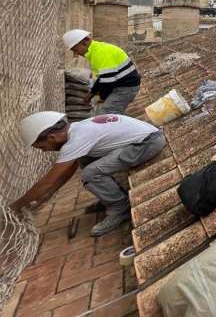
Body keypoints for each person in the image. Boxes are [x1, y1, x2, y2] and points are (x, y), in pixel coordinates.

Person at [11, 111, 165, 236]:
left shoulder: (76, 140)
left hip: (146, 144)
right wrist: (49, 194)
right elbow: (68, 170)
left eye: (42, 146)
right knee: (86, 159)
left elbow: (47, 181)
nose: (44, 151)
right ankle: (111, 196)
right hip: (147, 138)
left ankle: (120, 208)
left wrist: (16, 205)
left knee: (90, 174)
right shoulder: (78, 128)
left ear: (52, 137)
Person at [63, 29, 141, 115]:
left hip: (126, 88)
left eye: (75, 50)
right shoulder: (96, 50)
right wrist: (92, 93)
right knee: (111, 112)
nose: (76, 53)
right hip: (121, 85)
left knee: (106, 113)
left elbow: (108, 81)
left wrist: (103, 97)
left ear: (84, 43)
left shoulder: (100, 53)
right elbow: (102, 78)